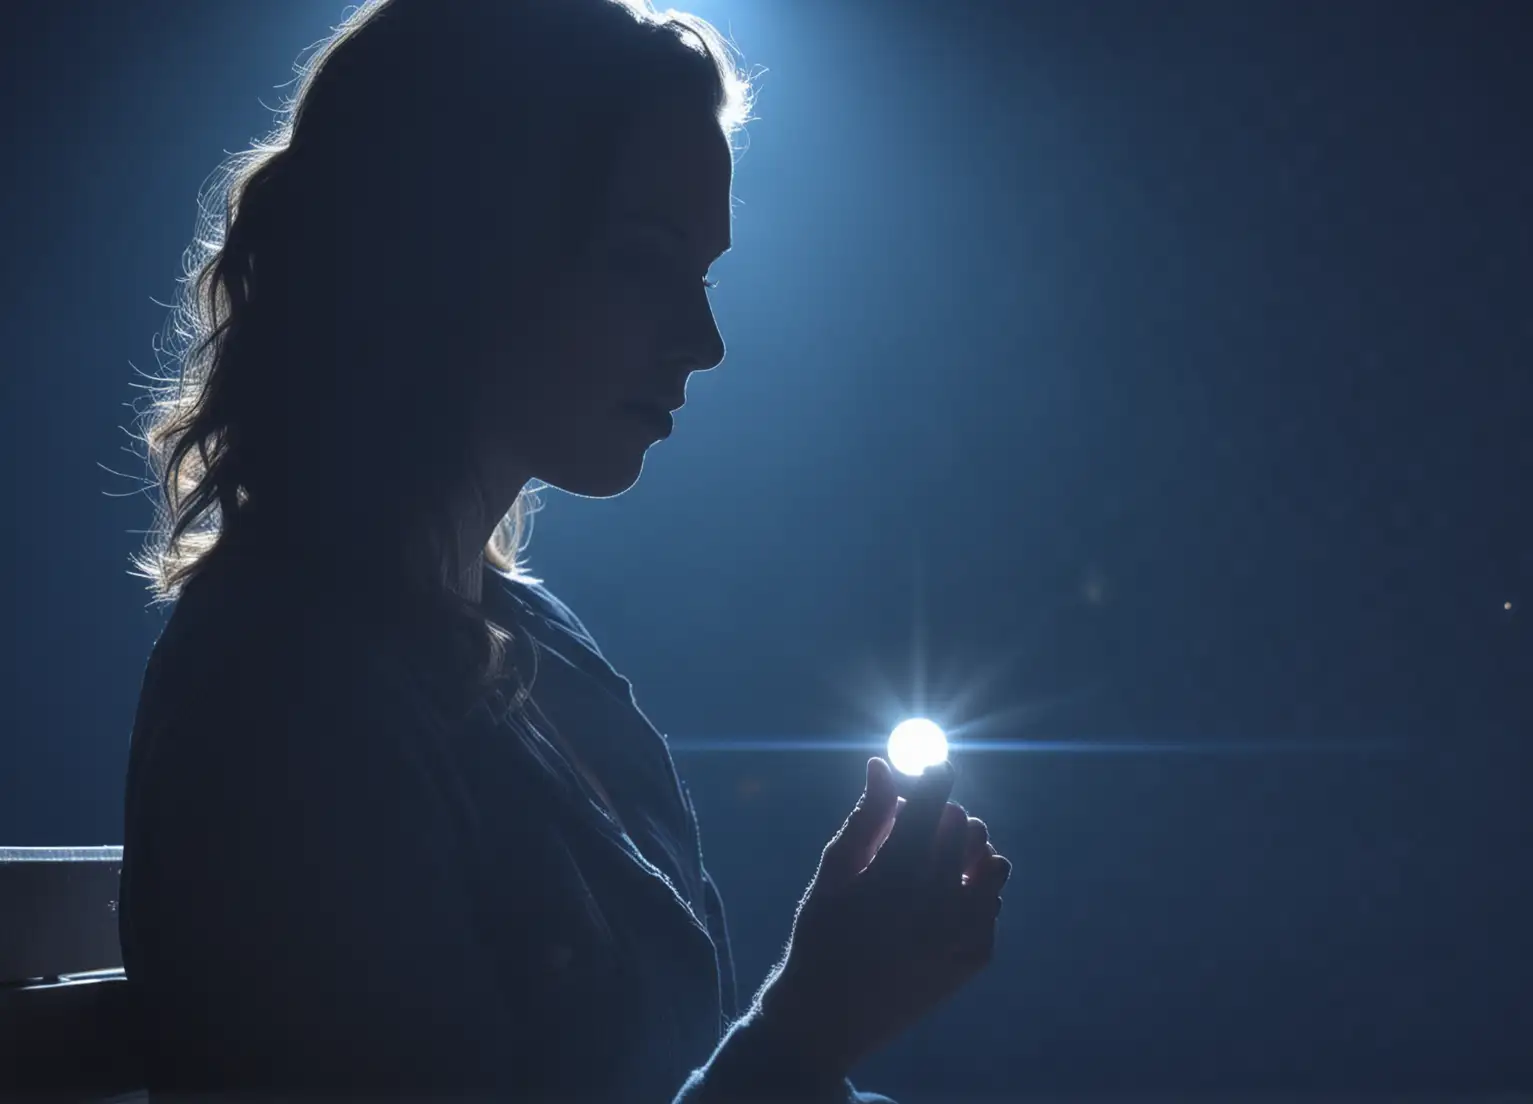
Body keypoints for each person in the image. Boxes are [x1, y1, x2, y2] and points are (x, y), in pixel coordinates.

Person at [116, 2, 1012, 1100]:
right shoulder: (289, 700)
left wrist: (811, 1039)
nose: (706, 340)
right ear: (450, 250)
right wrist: (805, 1035)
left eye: (707, 274)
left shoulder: (520, 645)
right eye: (645, 261)